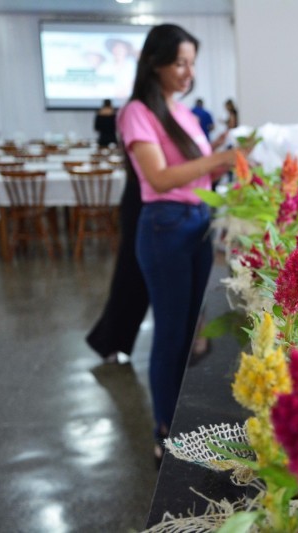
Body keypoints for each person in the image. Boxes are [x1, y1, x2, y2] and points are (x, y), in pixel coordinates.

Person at [115, 23, 239, 461]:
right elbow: (160, 177)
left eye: (192, 63)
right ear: (156, 62)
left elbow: (201, 175)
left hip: (196, 223)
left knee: (190, 333)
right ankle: (164, 431)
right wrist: (217, 157)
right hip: (164, 226)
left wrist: (229, 156)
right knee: (170, 334)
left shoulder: (183, 113)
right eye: (180, 63)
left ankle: (182, 421)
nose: (188, 73)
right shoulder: (137, 112)